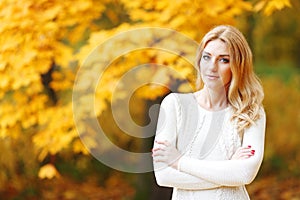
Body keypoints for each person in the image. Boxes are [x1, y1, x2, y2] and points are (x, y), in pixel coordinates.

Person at [152, 25, 266, 199]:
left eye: (223, 60)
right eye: (207, 57)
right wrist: (228, 169)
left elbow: (244, 174)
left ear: (238, 65)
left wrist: (178, 161)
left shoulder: (251, 111)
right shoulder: (175, 105)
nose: (212, 67)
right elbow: (164, 176)